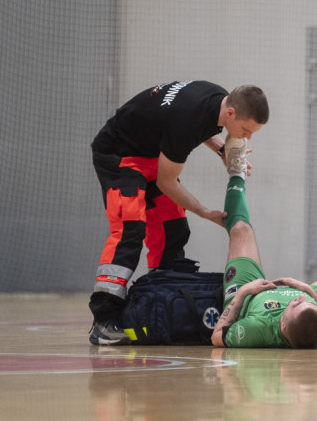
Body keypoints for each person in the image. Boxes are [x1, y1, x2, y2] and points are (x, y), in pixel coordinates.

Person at [89, 81, 268, 345]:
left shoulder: (218, 99)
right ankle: (104, 319)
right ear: (231, 114)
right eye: (246, 130)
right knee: (130, 228)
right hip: (120, 155)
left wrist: (221, 150)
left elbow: (195, 129)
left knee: (174, 228)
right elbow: (166, 182)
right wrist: (205, 212)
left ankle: (160, 300)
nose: (247, 138)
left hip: (151, 155)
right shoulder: (188, 119)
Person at [211, 138, 317, 348]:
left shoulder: (256, 329)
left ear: (282, 326)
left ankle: (237, 173)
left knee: (240, 230)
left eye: (296, 305)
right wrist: (308, 292)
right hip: (308, 300)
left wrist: (243, 293)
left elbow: (217, 337)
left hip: (251, 295)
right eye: (311, 306)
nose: (301, 301)